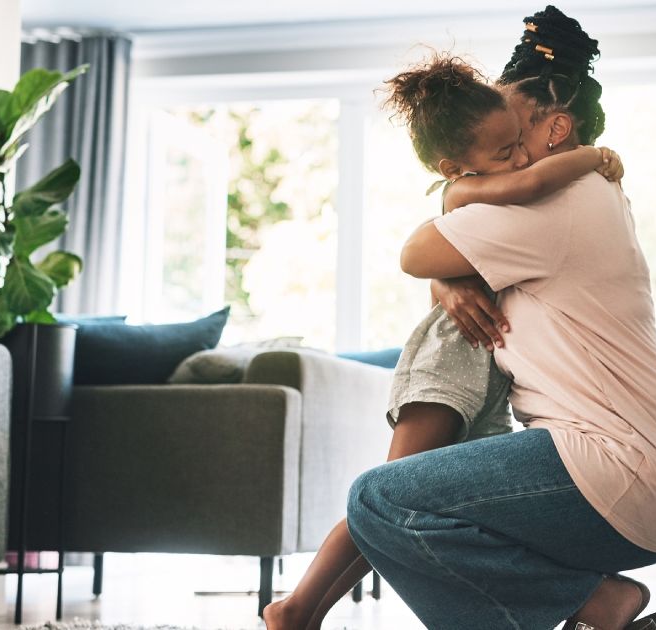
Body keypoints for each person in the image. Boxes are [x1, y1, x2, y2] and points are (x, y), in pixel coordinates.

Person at [346, 6, 656, 630]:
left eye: (512, 128)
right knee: (424, 508)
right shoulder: (583, 193)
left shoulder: (556, 197)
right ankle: (589, 604)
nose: (496, 144)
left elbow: (415, 252)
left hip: (622, 462)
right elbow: (441, 255)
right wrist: (449, 278)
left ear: (555, 129)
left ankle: (595, 604)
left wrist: (443, 269)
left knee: (380, 498)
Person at [263, 51, 624, 630]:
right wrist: (595, 158)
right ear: (455, 164)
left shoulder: (487, 184)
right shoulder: (469, 192)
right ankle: (297, 607)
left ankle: (574, 599)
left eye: (517, 142)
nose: (520, 156)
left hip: (486, 365)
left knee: (444, 505)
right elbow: (529, 183)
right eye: (504, 150)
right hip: (453, 353)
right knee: (389, 489)